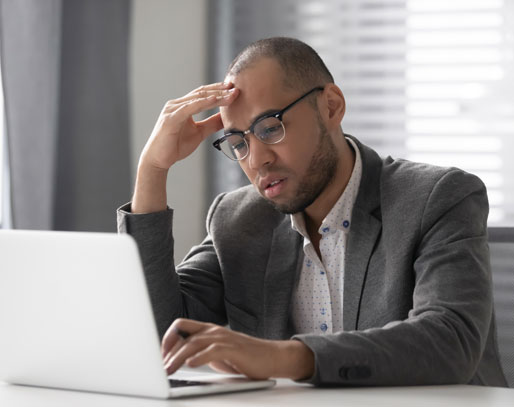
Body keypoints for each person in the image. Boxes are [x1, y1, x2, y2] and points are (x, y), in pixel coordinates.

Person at [117, 37, 507, 386]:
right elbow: (161, 333)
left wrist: (280, 357)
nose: (256, 159)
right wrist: (153, 170)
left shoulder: (437, 197)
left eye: (269, 127)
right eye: (238, 142)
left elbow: (450, 340)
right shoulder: (237, 220)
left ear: (332, 107)